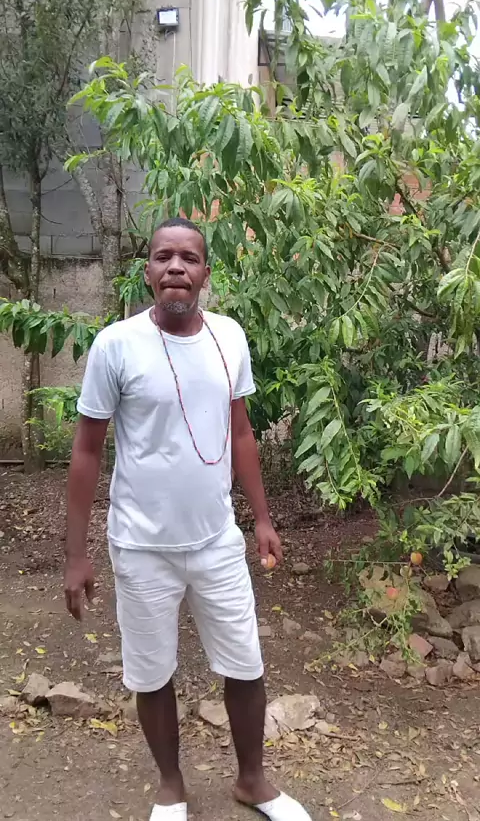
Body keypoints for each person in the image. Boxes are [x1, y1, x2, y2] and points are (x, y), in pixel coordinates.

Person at [64, 217, 312, 821]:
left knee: (245, 664)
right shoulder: (116, 345)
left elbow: (241, 432)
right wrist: (75, 553)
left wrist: (262, 518)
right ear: (148, 271)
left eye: (189, 258)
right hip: (140, 545)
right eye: (163, 256)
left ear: (205, 273)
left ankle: (253, 782)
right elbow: (87, 450)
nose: (175, 266)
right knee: (151, 674)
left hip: (216, 540)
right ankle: (171, 787)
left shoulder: (230, 336)